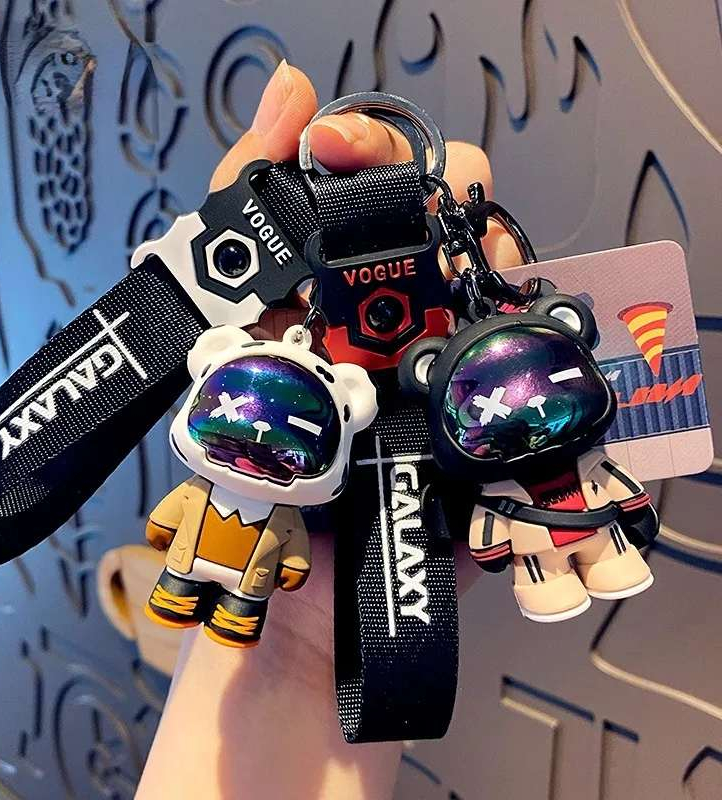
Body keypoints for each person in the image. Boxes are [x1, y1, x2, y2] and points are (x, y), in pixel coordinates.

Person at [136, 61, 523, 800]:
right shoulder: (264, 386)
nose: (256, 444)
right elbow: (181, 523)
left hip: (382, 495)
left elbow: (186, 527)